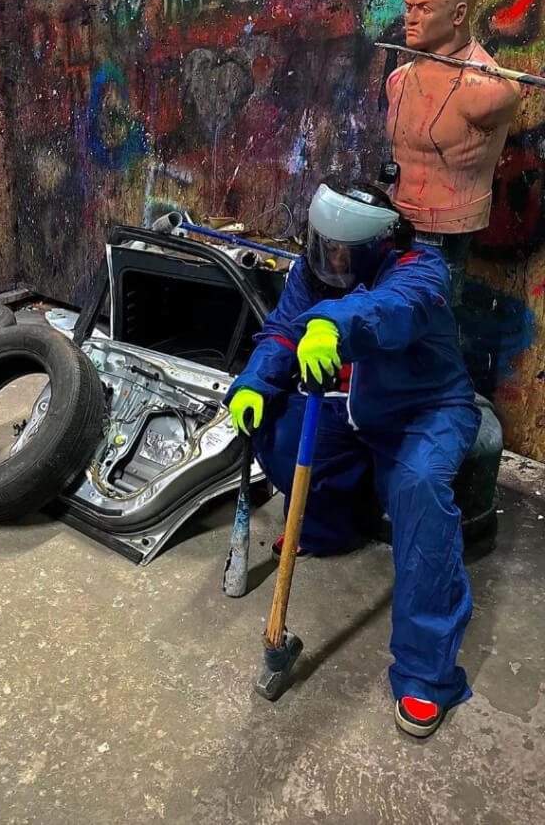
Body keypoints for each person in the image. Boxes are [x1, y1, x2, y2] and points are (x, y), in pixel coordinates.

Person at [226, 182, 480, 738]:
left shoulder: (422, 270)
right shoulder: (311, 272)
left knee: (419, 491)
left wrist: (334, 324)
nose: (333, 261)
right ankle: (325, 529)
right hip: (345, 405)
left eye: (346, 252)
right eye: (326, 247)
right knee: (275, 424)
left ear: (379, 247)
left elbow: (388, 310)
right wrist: (255, 381)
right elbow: (284, 331)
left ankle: (426, 675)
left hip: (422, 410)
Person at [385, 0, 520, 305]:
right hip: (395, 221)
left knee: (430, 328)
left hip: (447, 229)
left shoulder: (489, 92)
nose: (411, 18)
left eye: (424, 9)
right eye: (408, 8)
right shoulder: (398, 80)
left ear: (458, 15)